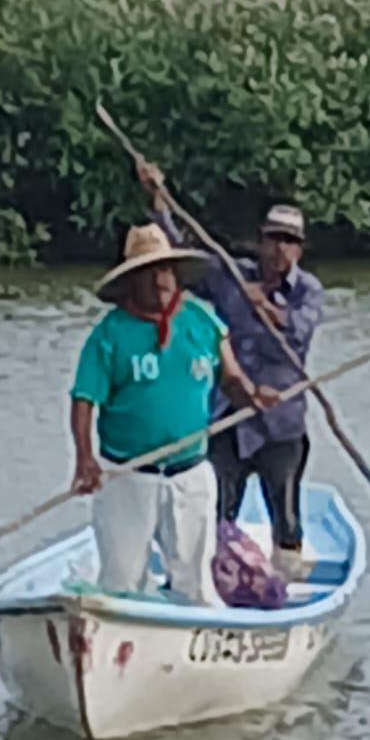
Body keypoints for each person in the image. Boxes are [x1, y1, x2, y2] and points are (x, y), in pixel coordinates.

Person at [70, 223, 278, 603]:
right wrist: (85, 459)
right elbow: (84, 399)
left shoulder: (201, 321)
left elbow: (230, 376)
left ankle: (196, 639)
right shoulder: (110, 335)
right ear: (133, 282)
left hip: (189, 472)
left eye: (165, 270)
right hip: (127, 474)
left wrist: (252, 396)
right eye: (149, 273)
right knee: (121, 579)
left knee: (195, 579)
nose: (160, 280)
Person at [140, 166, 324, 580]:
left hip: (281, 425)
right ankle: (209, 584)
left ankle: (286, 589)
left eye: (289, 241)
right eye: (273, 238)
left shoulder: (309, 290)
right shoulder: (229, 274)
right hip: (229, 416)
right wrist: (159, 201)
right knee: (217, 513)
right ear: (261, 240)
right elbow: (179, 253)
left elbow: (297, 327)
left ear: (299, 250)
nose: (279, 249)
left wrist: (263, 304)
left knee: (287, 522)